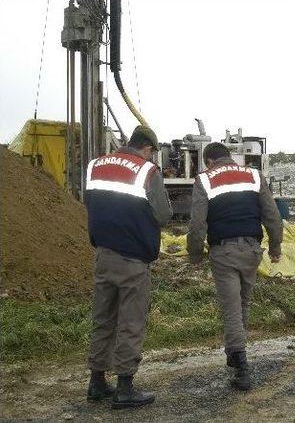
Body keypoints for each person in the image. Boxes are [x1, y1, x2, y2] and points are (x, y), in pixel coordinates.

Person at [84, 125, 173, 409]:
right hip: (133, 259)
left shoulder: (95, 165)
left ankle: (97, 382)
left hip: (103, 254)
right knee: (131, 322)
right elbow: (163, 215)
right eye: (152, 154)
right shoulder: (147, 171)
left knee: (103, 319)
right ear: (147, 149)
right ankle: (125, 387)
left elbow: (89, 202)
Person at [187, 142, 283, 391]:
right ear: (230, 157)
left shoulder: (204, 180)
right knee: (242, 304)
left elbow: (197, 224)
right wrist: (275, 248)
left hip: (224, 252)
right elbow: (272, 215)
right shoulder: (254, 174)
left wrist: (195, 255)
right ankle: (234, 352)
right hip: (252, 250)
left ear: (209, 161)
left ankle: (241, 367)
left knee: (231, 309)